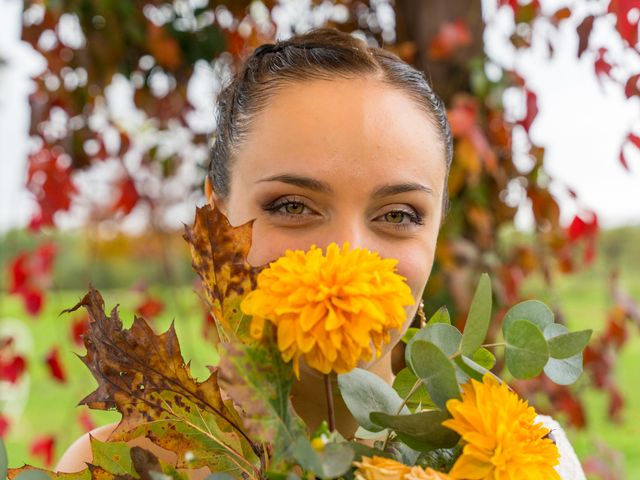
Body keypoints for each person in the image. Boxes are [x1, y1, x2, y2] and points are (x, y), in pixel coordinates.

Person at [55, 27, 584, 479]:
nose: (347, 254)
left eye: (398, 215)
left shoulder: (531, 459)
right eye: (292, 205)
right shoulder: (115, 464)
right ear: (215, 221)